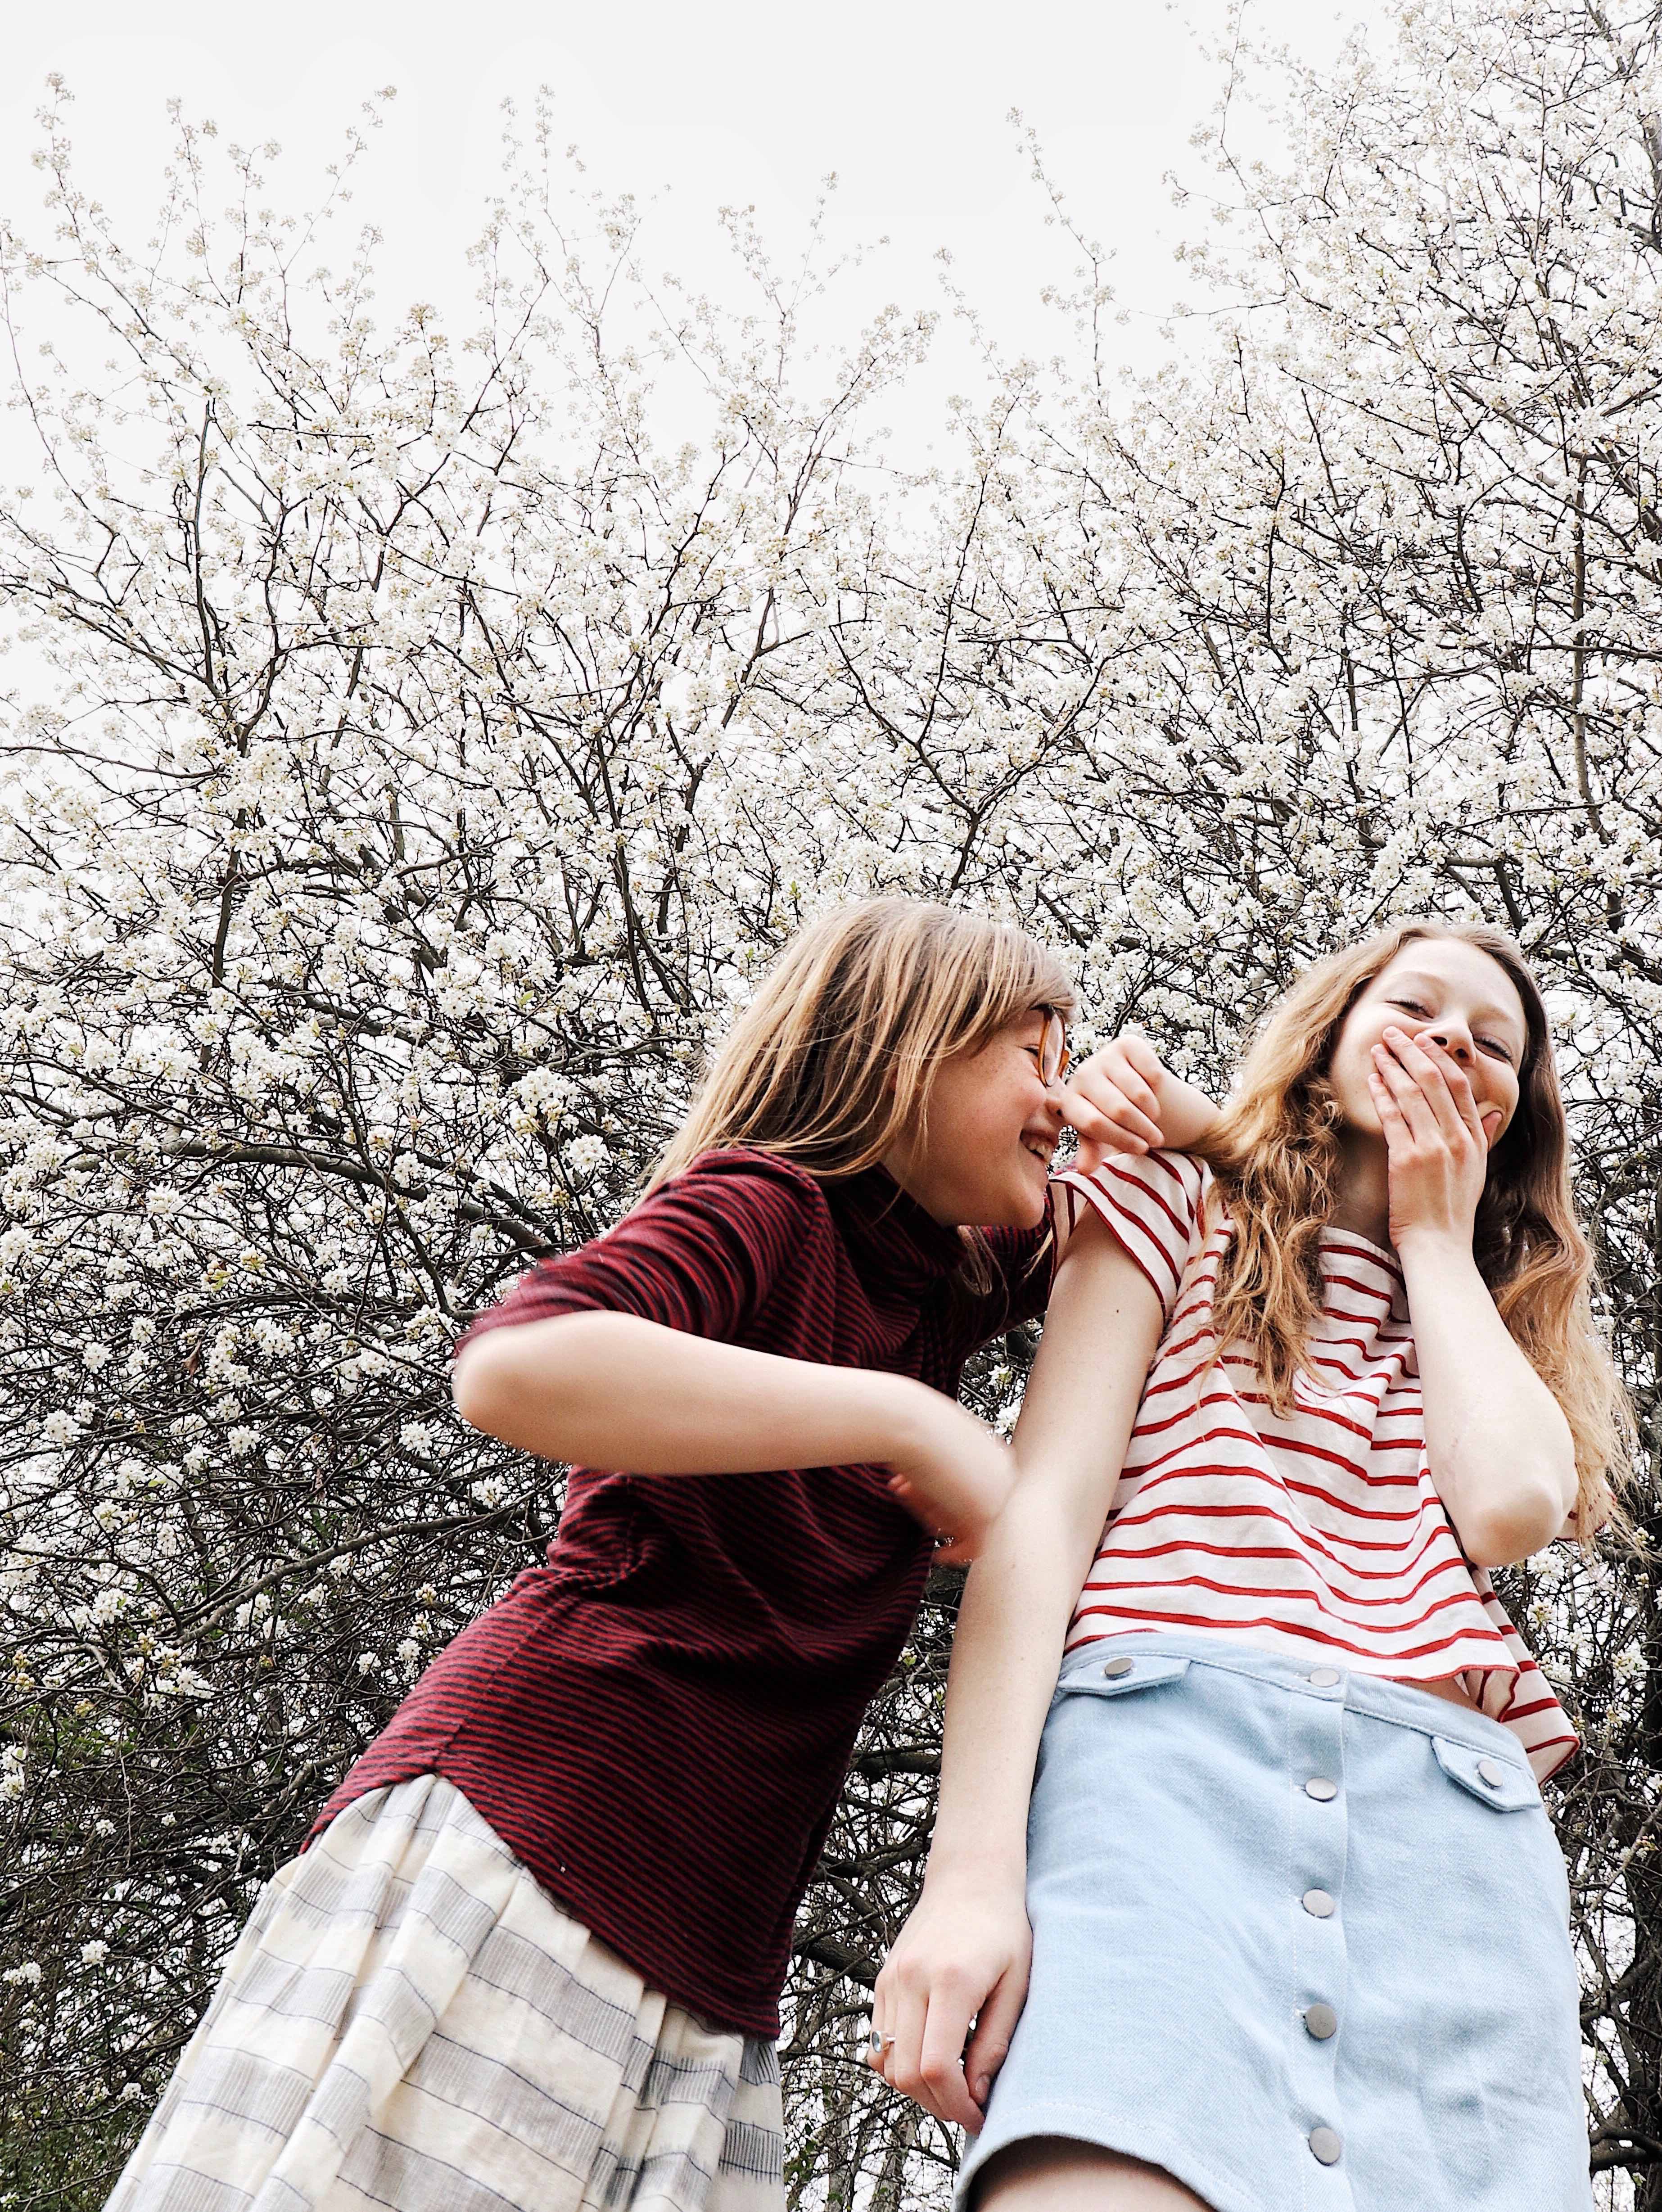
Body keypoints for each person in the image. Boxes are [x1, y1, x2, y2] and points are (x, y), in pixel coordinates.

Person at [106, 896, 1196, 2212]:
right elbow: (518, 1364)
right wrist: (909, 1416)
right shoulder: (769, 1206)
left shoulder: (945, 1275)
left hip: (714, 1925)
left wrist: (1181, 1115)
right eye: (1033, 1051)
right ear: (909, 1053)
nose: (1062, 1095)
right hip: (544, 1821)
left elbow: (1214, 1190)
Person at [869, 920, 1631, 2212]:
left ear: (1509, 1117)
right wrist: (969, 1877)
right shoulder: (1171, 1197)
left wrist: (1435, 1241)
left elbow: (1508, 1503)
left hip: (1445, 1834)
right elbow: (1041, 1521)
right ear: (1328, 1038)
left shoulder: (1480, 1325)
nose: (1453, 1040)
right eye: (1416, 1008)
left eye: (1492, 1043)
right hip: (1163, 1773)